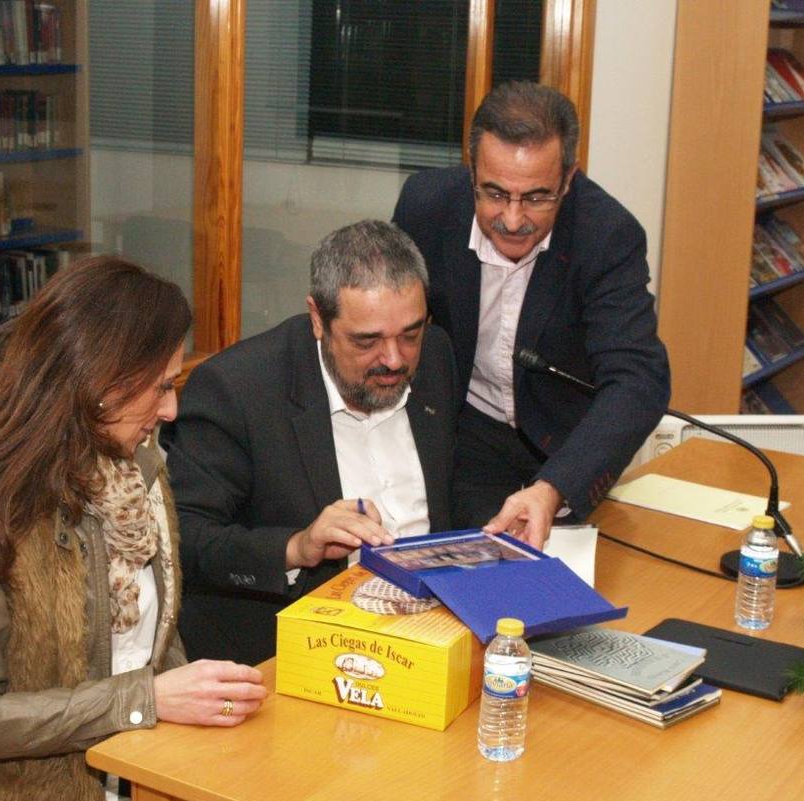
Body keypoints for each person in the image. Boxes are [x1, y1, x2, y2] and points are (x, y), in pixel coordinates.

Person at [0, 257, 301, 801]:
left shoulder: (138, 468)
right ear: (100, 382)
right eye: (160, 387)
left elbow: (153, 639)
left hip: (140, 775)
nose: (171, 410)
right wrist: (148, 701)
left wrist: (194, 709)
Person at [162, 220, 457, 665]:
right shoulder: (236, 389)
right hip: (290, 657)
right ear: (318, 319)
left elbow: (454, 484)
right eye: (367, 341)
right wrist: (298, 546)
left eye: (410, 335)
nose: (394, 359)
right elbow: (188, 541)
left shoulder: (435, 354)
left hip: (430, 636)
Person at [393, 81, 671, 550]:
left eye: (538, 197)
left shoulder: (606, 236)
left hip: (568, 444)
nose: (514, 219)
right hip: (466, 433)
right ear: (472, 172)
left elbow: (638, 380)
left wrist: (554, 487)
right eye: (495, 193)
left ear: (568, 179)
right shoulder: (427, 207)